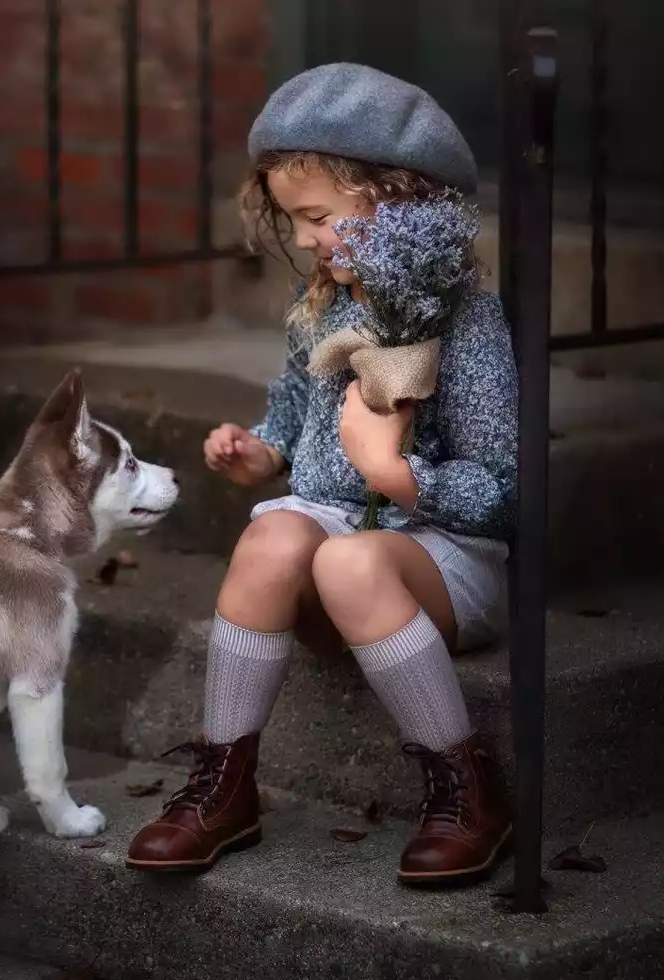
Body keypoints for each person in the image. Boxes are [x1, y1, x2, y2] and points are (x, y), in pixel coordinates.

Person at [124, 63, 519, 887]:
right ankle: (225, 784)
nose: (303, 238)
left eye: (318, 217)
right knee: (271, 534)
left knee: (348, 558)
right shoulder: (323, 308)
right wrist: (258, 454)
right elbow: (291, 420)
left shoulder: (466, 318)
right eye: (293, 219)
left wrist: (395, 473)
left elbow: (499, 496)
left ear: (398, 204)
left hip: (437, 560)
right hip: (331, 531)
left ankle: (466, 790)